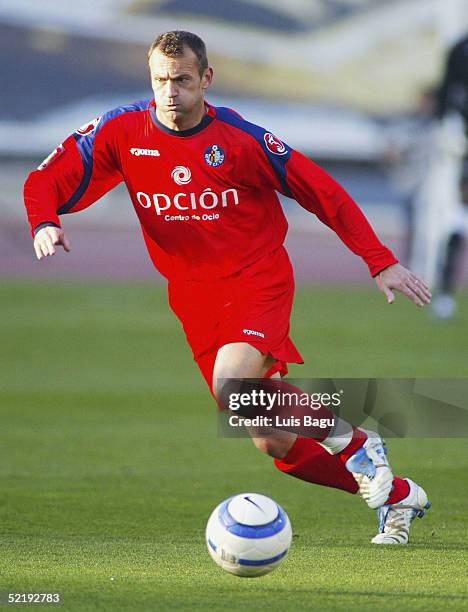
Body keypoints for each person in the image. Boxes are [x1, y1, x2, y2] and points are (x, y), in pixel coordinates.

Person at [24, 31, 432, 545]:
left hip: (255, 278)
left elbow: (322, 190)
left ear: (205, 79)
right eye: (160, 81)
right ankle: (395, 496)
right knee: (271, 439)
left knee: (233, 387)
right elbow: (43, 180)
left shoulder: (241, 140)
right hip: (193, 297)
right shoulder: (121, 130)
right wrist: (44, 221)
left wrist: (379, 261)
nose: (170, 92)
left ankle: (354, 443)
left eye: (182, 80)